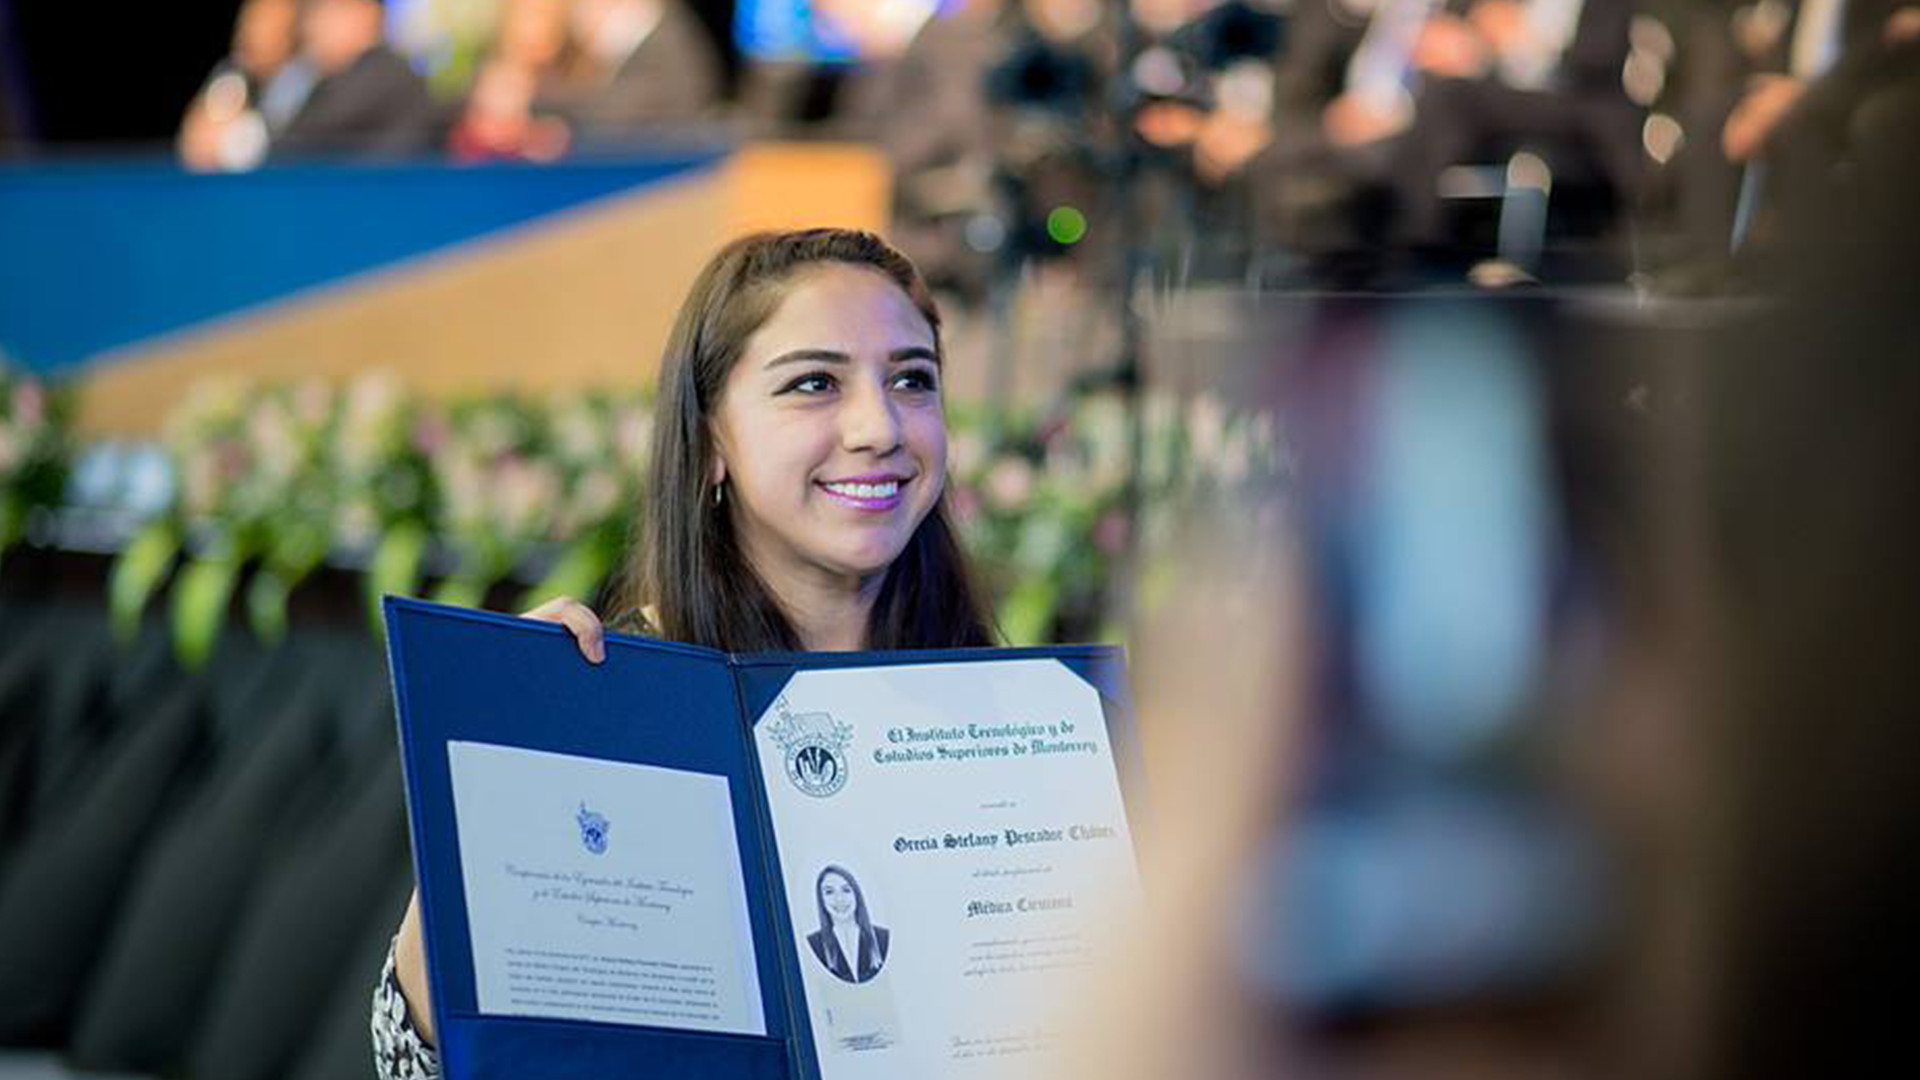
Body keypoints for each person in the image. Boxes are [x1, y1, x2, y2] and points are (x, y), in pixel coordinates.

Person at [370, 227, 997, 1079]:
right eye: (814, 383)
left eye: (911, 380)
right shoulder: (615, 705)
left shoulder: (1010, 725)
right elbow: (419, 1061)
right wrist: (497, 776)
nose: (878, 426)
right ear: (709, 442)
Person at [805, 865, 891, 984]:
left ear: (856, 894)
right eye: (829, 892)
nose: (839, 899)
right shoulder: (814, 943)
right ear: (821, 899)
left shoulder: (882, 937)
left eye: (846, 890)